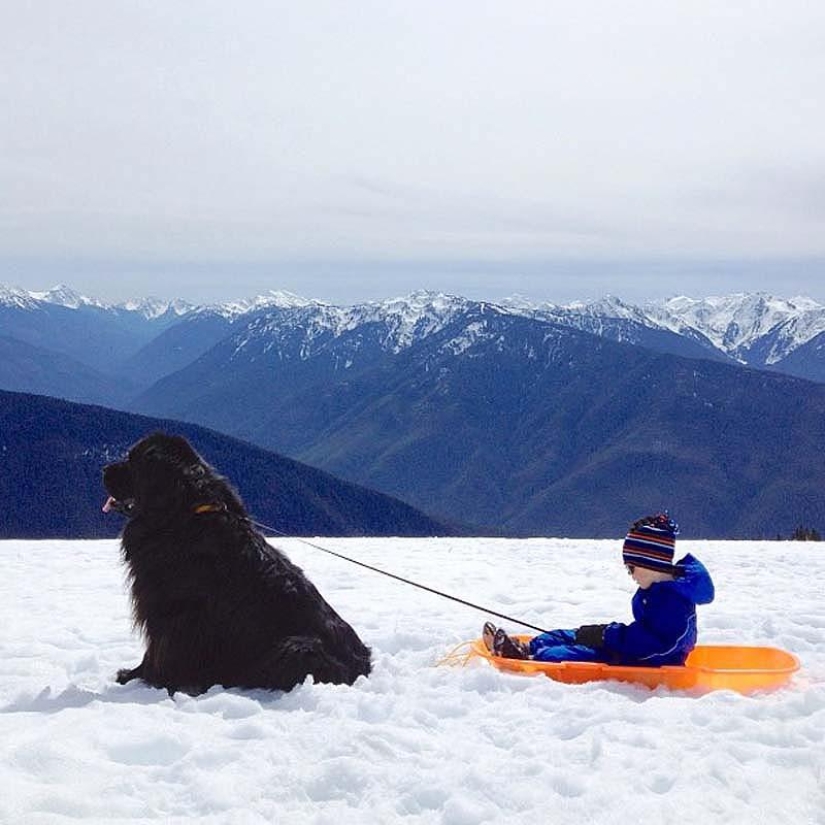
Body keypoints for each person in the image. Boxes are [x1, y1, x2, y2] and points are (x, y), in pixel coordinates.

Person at [483, 513, 715, 666]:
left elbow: (657, 645)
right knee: (572, 635)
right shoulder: (656, 591)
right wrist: (603, 634)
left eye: (631, 568)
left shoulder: (673, 602)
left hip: (647, 660)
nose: (631, 574)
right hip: (631, 647)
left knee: (575, 654)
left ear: (649, 564)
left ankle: (530, 657)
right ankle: (527, 646)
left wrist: (608, 636)